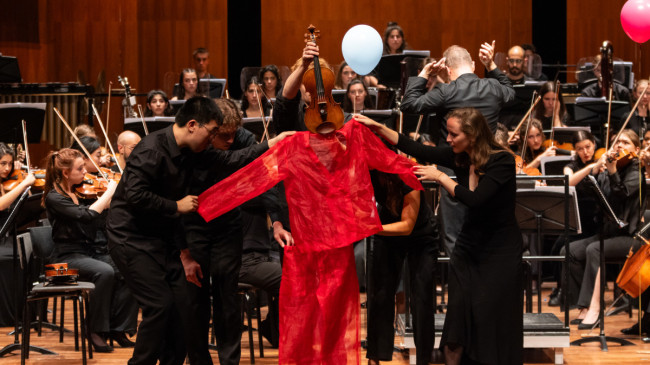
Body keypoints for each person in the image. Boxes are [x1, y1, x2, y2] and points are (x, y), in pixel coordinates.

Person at [198, 118, 423, 364]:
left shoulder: (353, 146)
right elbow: (254, 179)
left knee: (336, 317)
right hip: (306, 247)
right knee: (306, 316)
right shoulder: (295, 147)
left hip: (337, 248)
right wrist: (207, 205)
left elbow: (396, 168)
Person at [357, 107, 523, 364]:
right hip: (469, 247)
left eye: (453, 134)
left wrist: (440, 177)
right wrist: (377, 127)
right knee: (458, 315)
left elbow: (476, 200)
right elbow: (416, 148)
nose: (447, 139)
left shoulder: (501, 161)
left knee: (491, 315)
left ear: (473, 136)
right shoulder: (460, 155)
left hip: (499, 249)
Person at [105, 96, 226, 365]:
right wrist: (176, 205)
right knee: (159, 306)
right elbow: (135, 196)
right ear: (193, 125)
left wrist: (272, 145)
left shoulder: (186, 153)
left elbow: (231, 159)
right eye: (212, 131)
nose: (214, 138)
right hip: (130, 238)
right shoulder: (151, 150)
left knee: (183, 308)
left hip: (158, 238)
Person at [182, 98, 291, 365]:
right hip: (195, 225)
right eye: (223, 135)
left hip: (228, 224)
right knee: (195, 301)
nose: (230, 140)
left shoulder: (240, 137)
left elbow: (265, 180)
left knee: (227, 299)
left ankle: (229, 362)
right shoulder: (191, 145)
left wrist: (276, 220)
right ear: (210, 129)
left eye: (233, 134)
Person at [400, 41, 515, 256]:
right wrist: (490, 64)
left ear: (447, 69)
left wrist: (424, 73)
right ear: (472, 65)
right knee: (484, 234)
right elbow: (511, 92)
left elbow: (409, 105)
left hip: (453, 169)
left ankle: (460, 283)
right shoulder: (493, 87)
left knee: (455, 238)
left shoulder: (446, 91)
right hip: (488, 170)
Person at [42, 147, 139, 352]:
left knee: (129, 267)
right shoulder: (54, 198)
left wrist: (114, 197)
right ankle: (94, 329)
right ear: (66, 173)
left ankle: (118, 328)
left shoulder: (80, 191)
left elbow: (97, 214)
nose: (86, 172)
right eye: (80, 169)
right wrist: (109, 192)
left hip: (87, 253)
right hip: (62, 261)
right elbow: (87, 216)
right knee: (104, 272)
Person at [561, 129, 645, 328]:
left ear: (636, 149)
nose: (620, 146)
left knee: (594, 249)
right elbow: (601, 197)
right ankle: (582, 307)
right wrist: (600, 172)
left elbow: (621, 195)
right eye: (617, 143)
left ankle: (595, 309)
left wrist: (613, 171)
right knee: (569, 251)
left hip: (630, 237)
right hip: (608, 233)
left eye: (625, 143)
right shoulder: (609, 168)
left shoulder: (636, 171)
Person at [366, 171, 438, 365]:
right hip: (387, 228)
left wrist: (369, 227)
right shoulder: (367, 170)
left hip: (420, 234)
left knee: (421, 298)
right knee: (380, 294)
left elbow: (407, 226)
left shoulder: (406, 175)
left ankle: (424, 360)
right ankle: (374, 358)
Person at [548, 131, 602, 306]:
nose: (585, 152)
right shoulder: (571, 166)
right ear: (575, 150)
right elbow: (568, 182)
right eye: (580, 149)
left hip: (596, 221)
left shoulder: (602, 163)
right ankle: (563, 289)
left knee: (563, 248)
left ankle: (568, 292)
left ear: (594, 144)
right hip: (577, 221)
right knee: (557, 248)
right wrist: (588, 168)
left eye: (588, 146)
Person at [0, 142, 35, 214]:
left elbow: (30, 205)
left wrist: (22, 180)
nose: (7, 168)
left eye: (10, 164)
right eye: (3, 163)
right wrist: (23, 184)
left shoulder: (9, 181)